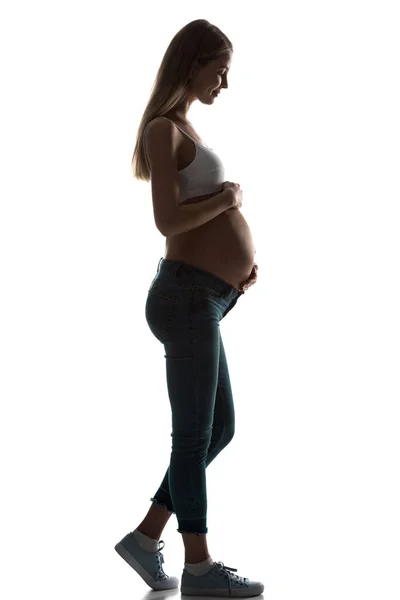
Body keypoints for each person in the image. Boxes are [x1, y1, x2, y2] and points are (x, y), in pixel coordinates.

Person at [114, 19, 263, 597]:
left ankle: (145, 535)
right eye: (218, 69)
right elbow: (167, 222)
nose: (223, 83)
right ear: (191, 63)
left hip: (205, 296)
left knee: (218, 426)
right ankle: (199, 569)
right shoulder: (161, 129)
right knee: (193, 436)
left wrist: (237, 272)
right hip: (184, 295)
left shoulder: (185, 129)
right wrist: (228, 200)